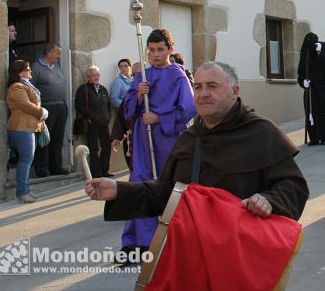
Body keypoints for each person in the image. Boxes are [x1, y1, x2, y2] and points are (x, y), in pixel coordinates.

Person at [86, 62, 309, 261]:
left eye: (212, 86)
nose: (203, 94)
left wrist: (269, 200)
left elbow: (294, 187)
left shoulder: (262, 132)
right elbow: (165, 192)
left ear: (235, 91)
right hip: (193, 256)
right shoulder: (188, 139)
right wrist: (118, 190)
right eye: (199, 87)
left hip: (244, 257)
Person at [121, 28, 197, 255]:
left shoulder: (178, 75)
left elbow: (188, 109)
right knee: (139, 183)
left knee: (167, 185)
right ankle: (138, 241)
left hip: (168, 140)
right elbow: (127, 112)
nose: (155, 54)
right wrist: (138, 95)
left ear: (170, 50)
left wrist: (159, 117)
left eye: (160, 49)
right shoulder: (141, 76)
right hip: (144, 140)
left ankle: (169, 238)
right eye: (151, 50)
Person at [7, 60, 47, 203]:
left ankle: (26, 190)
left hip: (28, 127)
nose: (30, 71)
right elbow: (25, 105)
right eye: (27, 69)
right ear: (19, 72)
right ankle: (22, 192)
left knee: (27, 160)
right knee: (25, 159)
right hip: (21, 127)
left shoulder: (25, 85)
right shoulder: (17, 87)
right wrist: (42, 112)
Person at [30, 43, 69, 177]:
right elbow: (31, 89)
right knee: (44, 139)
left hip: (60, 106)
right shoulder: (35, 67)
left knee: (58, 138)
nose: (59, 56)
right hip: (46, 107)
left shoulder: (57, 67)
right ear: (48, 53)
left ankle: (56, 166)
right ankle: (42, 168)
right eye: (57, 53)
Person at [75, 66, 113, 178]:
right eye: (93, 75)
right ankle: (96, 173)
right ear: (88, 77)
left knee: (107, 148)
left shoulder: (103, 89)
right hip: (92, 124)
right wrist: (90, 116)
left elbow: (108, 105)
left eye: (97, 75)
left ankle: (104, 171)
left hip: (104, 123)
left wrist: (108, 117)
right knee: (93, 149)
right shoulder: (84, 89)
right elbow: (79, 106)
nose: (96, 77)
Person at [297, 32, 325, 145]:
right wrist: (303, 82)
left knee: (323, 112)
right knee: (310, 113)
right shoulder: (305, 53)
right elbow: (301, 72)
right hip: (310, 89)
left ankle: (324, 137)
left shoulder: (324, 48)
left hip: (323, 88)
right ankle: (313, 137)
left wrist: (320, 52)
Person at [111, 62, 140, 171]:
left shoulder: (155, 91)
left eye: (140, 74)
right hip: (132, 138)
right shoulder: (130, 94)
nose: (136, 78)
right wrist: (116, 137)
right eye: (134, 75)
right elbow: (121, 116)